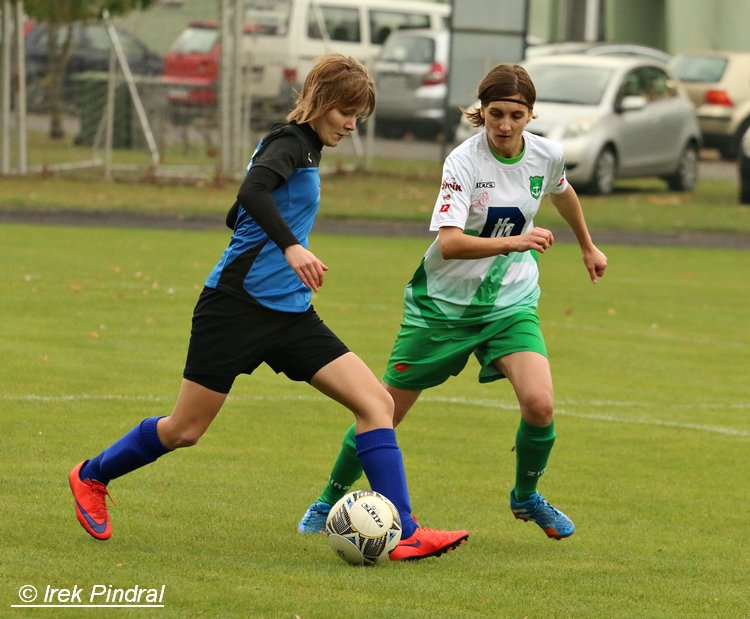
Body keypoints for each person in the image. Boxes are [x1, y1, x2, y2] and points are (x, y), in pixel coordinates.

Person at [68, 53, 468, 562]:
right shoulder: (289, 142)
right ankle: (91, 475)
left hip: (290, 315)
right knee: (185, 430)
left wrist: (271, 234)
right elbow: (251, 191)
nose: (351, 124)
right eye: (346, 112)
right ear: (320, 101)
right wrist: (290, 246)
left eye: (358, 116)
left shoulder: (306, 149)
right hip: (234, 309)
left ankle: (406, 532)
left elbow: (239, 212)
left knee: (376, 404)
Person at [298, 63, 608, 540]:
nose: (505, 125)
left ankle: (526, 496)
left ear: (531, 115)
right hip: (442, 308)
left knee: (539, 404)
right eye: (496, 113)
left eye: (516, 115)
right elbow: (450, 243)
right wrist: (515, 241)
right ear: (481, 111)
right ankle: (326, 501)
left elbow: (562, 193)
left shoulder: (547, 155)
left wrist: (587, 245)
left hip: (509, 303)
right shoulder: (463, 162)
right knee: (383, 410)